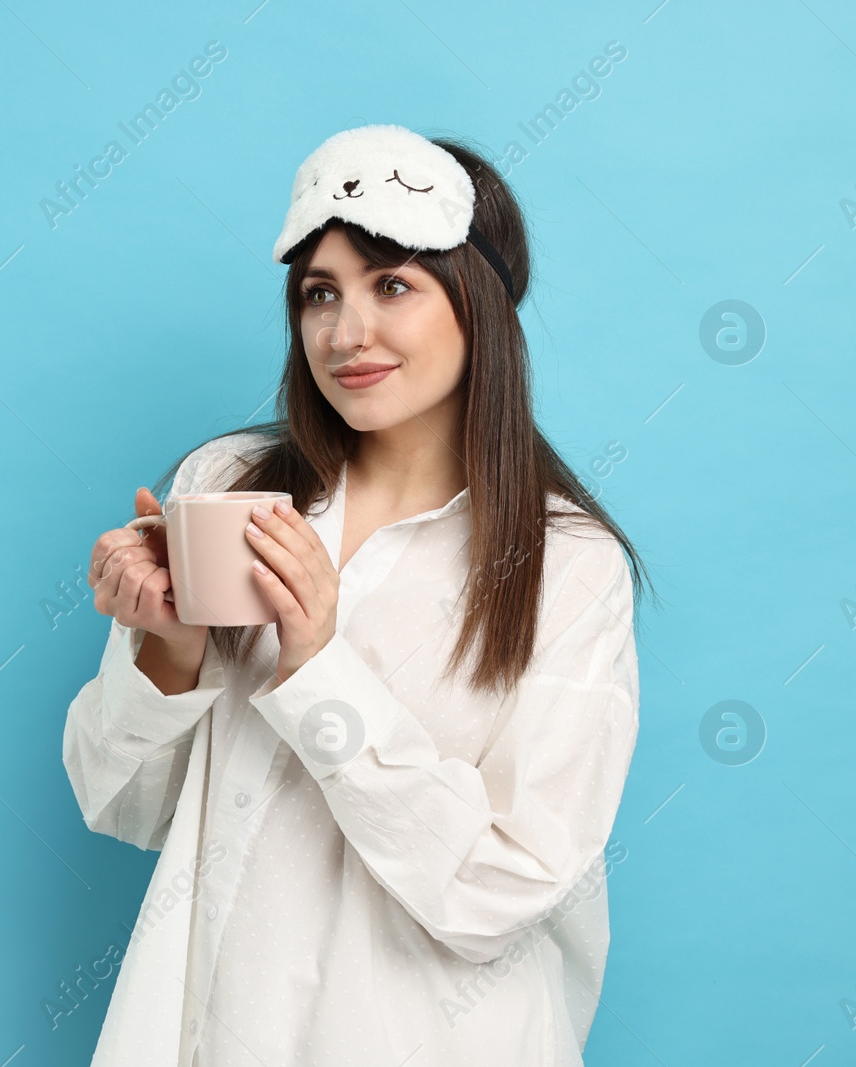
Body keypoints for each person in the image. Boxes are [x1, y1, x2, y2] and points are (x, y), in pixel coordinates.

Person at [61, 124, 653, 1067]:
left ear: (480, 302)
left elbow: (508, 886)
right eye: (319, 293)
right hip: (216, 1025)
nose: (346, 333)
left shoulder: (567, 565)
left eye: (393, 285)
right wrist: (165, 649)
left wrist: (317, 666)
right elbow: (121, 806)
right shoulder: (233, 488)